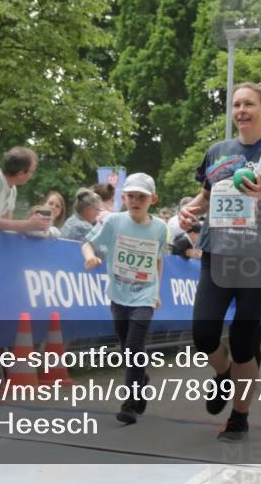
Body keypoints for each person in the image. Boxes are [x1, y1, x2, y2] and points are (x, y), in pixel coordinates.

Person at [177, 82, 261, 442]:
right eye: (236, 105)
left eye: (249, 104)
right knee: (204, 336)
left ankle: (240, 415)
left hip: (258, 260)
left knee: (244, 341)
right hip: (217, 254)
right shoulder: (218, 152)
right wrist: (187, 211)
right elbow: (202, 198)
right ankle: (224, 374)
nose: (241, 111)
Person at [81, 172, 167, 425]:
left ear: (153, 199)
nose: (136, 201)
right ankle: (140, 379)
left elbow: (158, 260)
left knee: (132, 347)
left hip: (145, 295)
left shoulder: (160, 228)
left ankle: (130, 403)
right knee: (127, 348)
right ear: (123, 197)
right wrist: (89, 256)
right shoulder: (114, 222)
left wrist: (157, 292)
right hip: (118, 295)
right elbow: (88, 243)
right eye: (131, 196)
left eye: (142, 197)